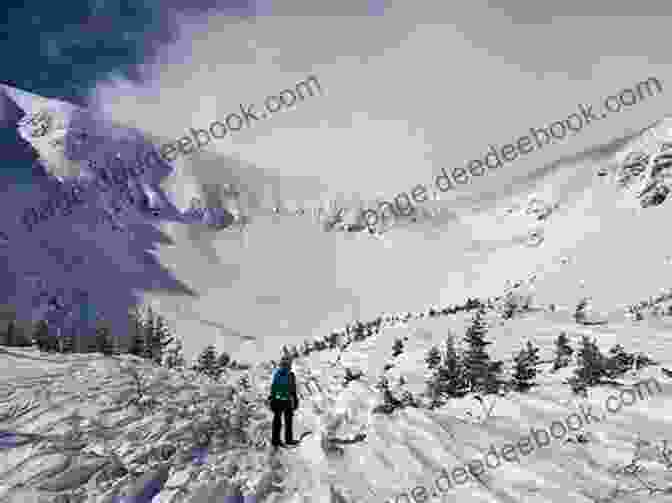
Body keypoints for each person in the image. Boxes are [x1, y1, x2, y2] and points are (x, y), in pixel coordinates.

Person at [268, 355, 300, 448]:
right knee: (286, 421)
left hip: (280, 400)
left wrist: (272, 399)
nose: (288, 365)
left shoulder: (279, 373)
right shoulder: (288, 374)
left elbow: (274, 387)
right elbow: (292, 389)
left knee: (279, 421)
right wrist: (295, 400)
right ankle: (286, 439)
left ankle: (277, 440)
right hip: (284, 400)